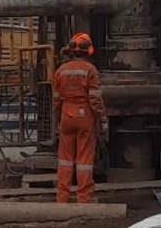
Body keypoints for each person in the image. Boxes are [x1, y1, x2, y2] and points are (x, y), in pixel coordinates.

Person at [54, 32, 108, 203]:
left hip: (66, 115)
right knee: (84, 160)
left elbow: (56, 100)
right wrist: (103, 120)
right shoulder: (90, 70)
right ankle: (84, 199)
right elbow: (95, 99)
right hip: (84, 116)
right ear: (88, 50)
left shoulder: (61, 70)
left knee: (65, 160)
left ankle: (62, 197)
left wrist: (57, 120)